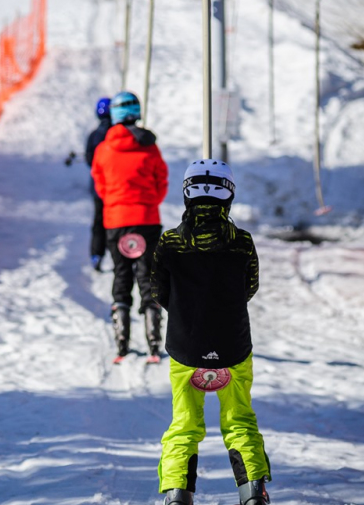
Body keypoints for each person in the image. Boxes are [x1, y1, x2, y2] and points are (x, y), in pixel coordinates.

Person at [151, 159, 272, 505]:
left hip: (186, 347)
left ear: (187, 194)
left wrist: (187, 312)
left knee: (184, 424)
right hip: (233, 346)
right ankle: (253, 493)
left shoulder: (169, 242)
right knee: (239, 421)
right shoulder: (242, 242)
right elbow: (250, 287)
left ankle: (178, 494)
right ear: (228, 196)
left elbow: (159, 292)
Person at [91, 91, 168, 360]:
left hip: (116, 222)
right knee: (148, 275)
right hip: (147, 220)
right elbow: (161, 181)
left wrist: (116, 204)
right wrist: (148, 203)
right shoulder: (150, 146)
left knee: (122, 273)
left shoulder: (103, 149)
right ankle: (153, 338)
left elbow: (100, 186)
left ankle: (121, 339)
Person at [85, 97, 112, 271]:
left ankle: (97, 254)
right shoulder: (118, 133)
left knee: (98, 220)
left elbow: (89, 159)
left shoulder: (94, 135)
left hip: (98, 187)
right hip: (117, 187)